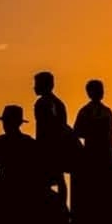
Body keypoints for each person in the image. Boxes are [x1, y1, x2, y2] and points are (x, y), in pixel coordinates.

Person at [0, 105, 46, 210]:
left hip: (9, 191)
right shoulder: (29, 142)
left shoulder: (1, 142)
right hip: (23, 193)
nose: (5, 125)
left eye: (7, 121)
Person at [72, 79, 112, 223]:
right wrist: (93, 131)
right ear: (89, 93)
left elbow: (110, 133)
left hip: (107, 154)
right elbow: (77, 132)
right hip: (92, 156)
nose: (100, 92)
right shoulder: (85, 112)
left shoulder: (107, 111)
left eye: (101, 89)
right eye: (97, 90)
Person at [33, 71, 72, 208]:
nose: (34, 87)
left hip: (48, 148)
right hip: (56, 147)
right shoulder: (58, 103)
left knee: (46, 181)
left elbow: (45, 129)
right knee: (59, 179)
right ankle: (61, 207)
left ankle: (56, 208)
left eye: (36, 84)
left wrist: (40, 148)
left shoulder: (43, 103)